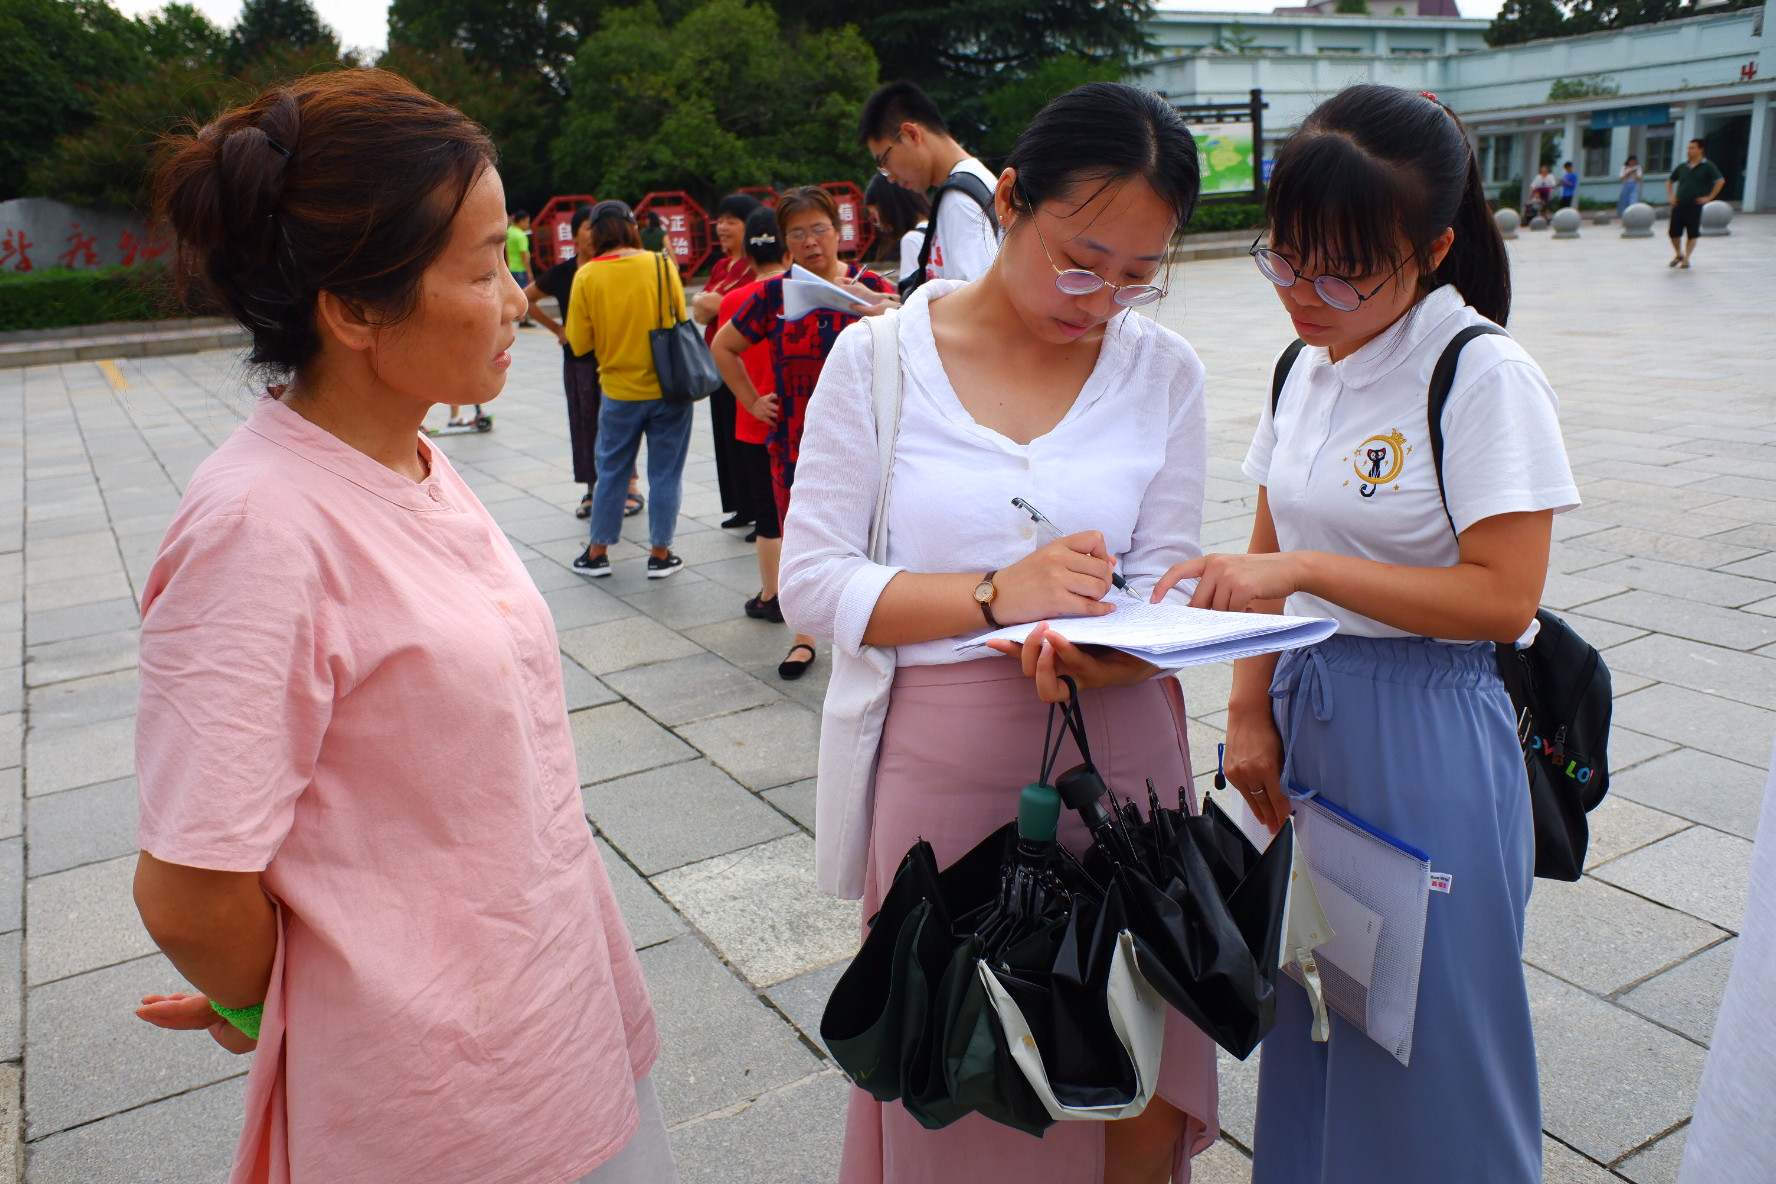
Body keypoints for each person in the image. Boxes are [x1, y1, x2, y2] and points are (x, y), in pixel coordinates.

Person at [132, 69, 669, 1184]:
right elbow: (188, 882)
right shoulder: (260, 530)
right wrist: (260, 994)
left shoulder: (408, 454)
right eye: (485, 266)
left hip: (552, 1015)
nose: (519, 296)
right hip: (439, 1101)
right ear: (355, 309)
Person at [780, 81, 1219, 1183]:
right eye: (1080, 259)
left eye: (1136, 274)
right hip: (947, 777)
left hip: (1126, 764)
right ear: (1011, 197)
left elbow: (1164, 572)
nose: (1102, 298)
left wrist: (1116, 635)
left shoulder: (1163, 370)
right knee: (967, 1085)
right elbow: (814, 582)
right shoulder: (879, 360)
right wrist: (996, 593)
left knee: (1130, 1093)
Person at [1158, 84, 1579, 1184]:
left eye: (1345, 268)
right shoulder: (1307, 362)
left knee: (1428, 1023)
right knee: (1319, 1004)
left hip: (1426, 723)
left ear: (1433, 248)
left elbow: (1502, 598)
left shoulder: (1477, 373)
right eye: (1288, 258)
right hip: (1308, 711)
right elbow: (1266, 542)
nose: (1307, 293)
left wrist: (1303, 572)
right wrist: (1248, 710)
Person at [712, 186, 895, 680]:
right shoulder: (775, 294)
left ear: (839, 231)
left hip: (869, 437)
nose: (811, 241)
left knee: (875, 533)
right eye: (798, 233)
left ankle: (875, 626)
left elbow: (926, 336)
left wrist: (878, 308)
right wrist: (752, 400)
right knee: (803, 539)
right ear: (785, 242)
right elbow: (724, 346)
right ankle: (803, 635)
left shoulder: (871, 284)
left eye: (819, 229)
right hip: (796, 440)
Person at [566, 200, 691, 578]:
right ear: (632, 227)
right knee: (666, 473)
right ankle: (660, 554)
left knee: (612, 472)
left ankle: (598, 552)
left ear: (597, 233)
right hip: (669, 389)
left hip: (619, 391)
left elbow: (579, 342)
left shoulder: (587, 276)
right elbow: (680, 318)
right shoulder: (660, 264)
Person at [525, 205, 642, 521]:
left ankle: (630, 486)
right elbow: (526, 299)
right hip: (578, 362)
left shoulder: (617, 267)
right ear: (575, 234)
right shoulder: (564, 273)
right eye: (589, 228)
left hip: (615, 359)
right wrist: (557, 329)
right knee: (585, 423)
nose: (595, 233)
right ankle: (593, 488)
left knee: (620, 424)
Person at [716, 207, 790, 621]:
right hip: (797, 418)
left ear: (747, 254)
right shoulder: (804, 291)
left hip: (755, 418)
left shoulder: (735, 300)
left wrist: (750, 401)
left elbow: (723, 352)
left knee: (768, 513)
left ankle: (772, 593)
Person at [860, 81, 999, 288]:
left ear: (911, 134)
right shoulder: (970, 182)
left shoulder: (958, 199)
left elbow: (975, 301)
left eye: (884, 161)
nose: (889, 177)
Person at [691, 192, 764, 532]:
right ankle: (741, 505)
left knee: (749, 438)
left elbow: (716, 307)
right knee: (726, 436)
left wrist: (712, 303)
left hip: (748, 363)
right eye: (720, 220)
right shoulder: (723, 265)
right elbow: (702, 309)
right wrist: (713, 303)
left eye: (731, 221)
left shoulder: (755, 267)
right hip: (719, 363)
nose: (722, 227)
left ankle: (760, 508)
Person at [1666, 138, 1726, 269]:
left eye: (1692, 148)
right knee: (1673, 232)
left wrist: (1709, 197)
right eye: (1688, 148)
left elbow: (1720, 181)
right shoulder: (1682, 167)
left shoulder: (1708, 166)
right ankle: (1678, 254)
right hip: (1680, 203)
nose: (1689, 151)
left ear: (1700, 149)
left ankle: (1686, 258)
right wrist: (1671, 196)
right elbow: (1670, 181)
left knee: (1692, 232)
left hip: (1695, 204)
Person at [864, 173, 931, 283]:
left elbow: (911, 296)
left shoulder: (912, 239)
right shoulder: (937, 228)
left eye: (874, 215)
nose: (878, 224)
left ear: (888, 208)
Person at [508, 207, 534, 326]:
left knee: (516, 294)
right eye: (527, 221)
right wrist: (529, 271)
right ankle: (523, 319)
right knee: (524, 295)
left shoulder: (510, 232)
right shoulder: (520, 236)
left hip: (512, 267)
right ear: (522, 220)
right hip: (520, 268)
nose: (528, 224)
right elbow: (524, 254)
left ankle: (522, 319)